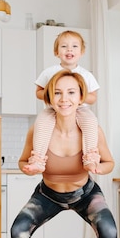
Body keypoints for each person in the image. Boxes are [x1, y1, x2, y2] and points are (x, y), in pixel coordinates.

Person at [7, 69, 118, 238]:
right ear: (49, 97)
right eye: (57, 93)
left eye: (70, 93)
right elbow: (24, 161)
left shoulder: (92, 131)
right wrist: (28, 168)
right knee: (18, 232)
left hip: (85, 194)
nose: (63, 99)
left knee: (109, 233)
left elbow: (110, 161)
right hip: (48, 195)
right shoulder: (39, 131)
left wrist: (100, 168)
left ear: (81, 98)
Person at [25, 30, 101, 175]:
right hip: (54, 108)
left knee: (91, 123)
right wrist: (55, 96)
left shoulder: (87, 75)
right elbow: (38, 93)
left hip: (81, 110)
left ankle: (91, 158)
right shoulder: (49, 72)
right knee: (41, 124)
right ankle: (38, 160)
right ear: (56, 52)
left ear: (82, 51)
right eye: (64, 46)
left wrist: (76, 97)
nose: (69, 49)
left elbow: (93, 98)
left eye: (74, 46)